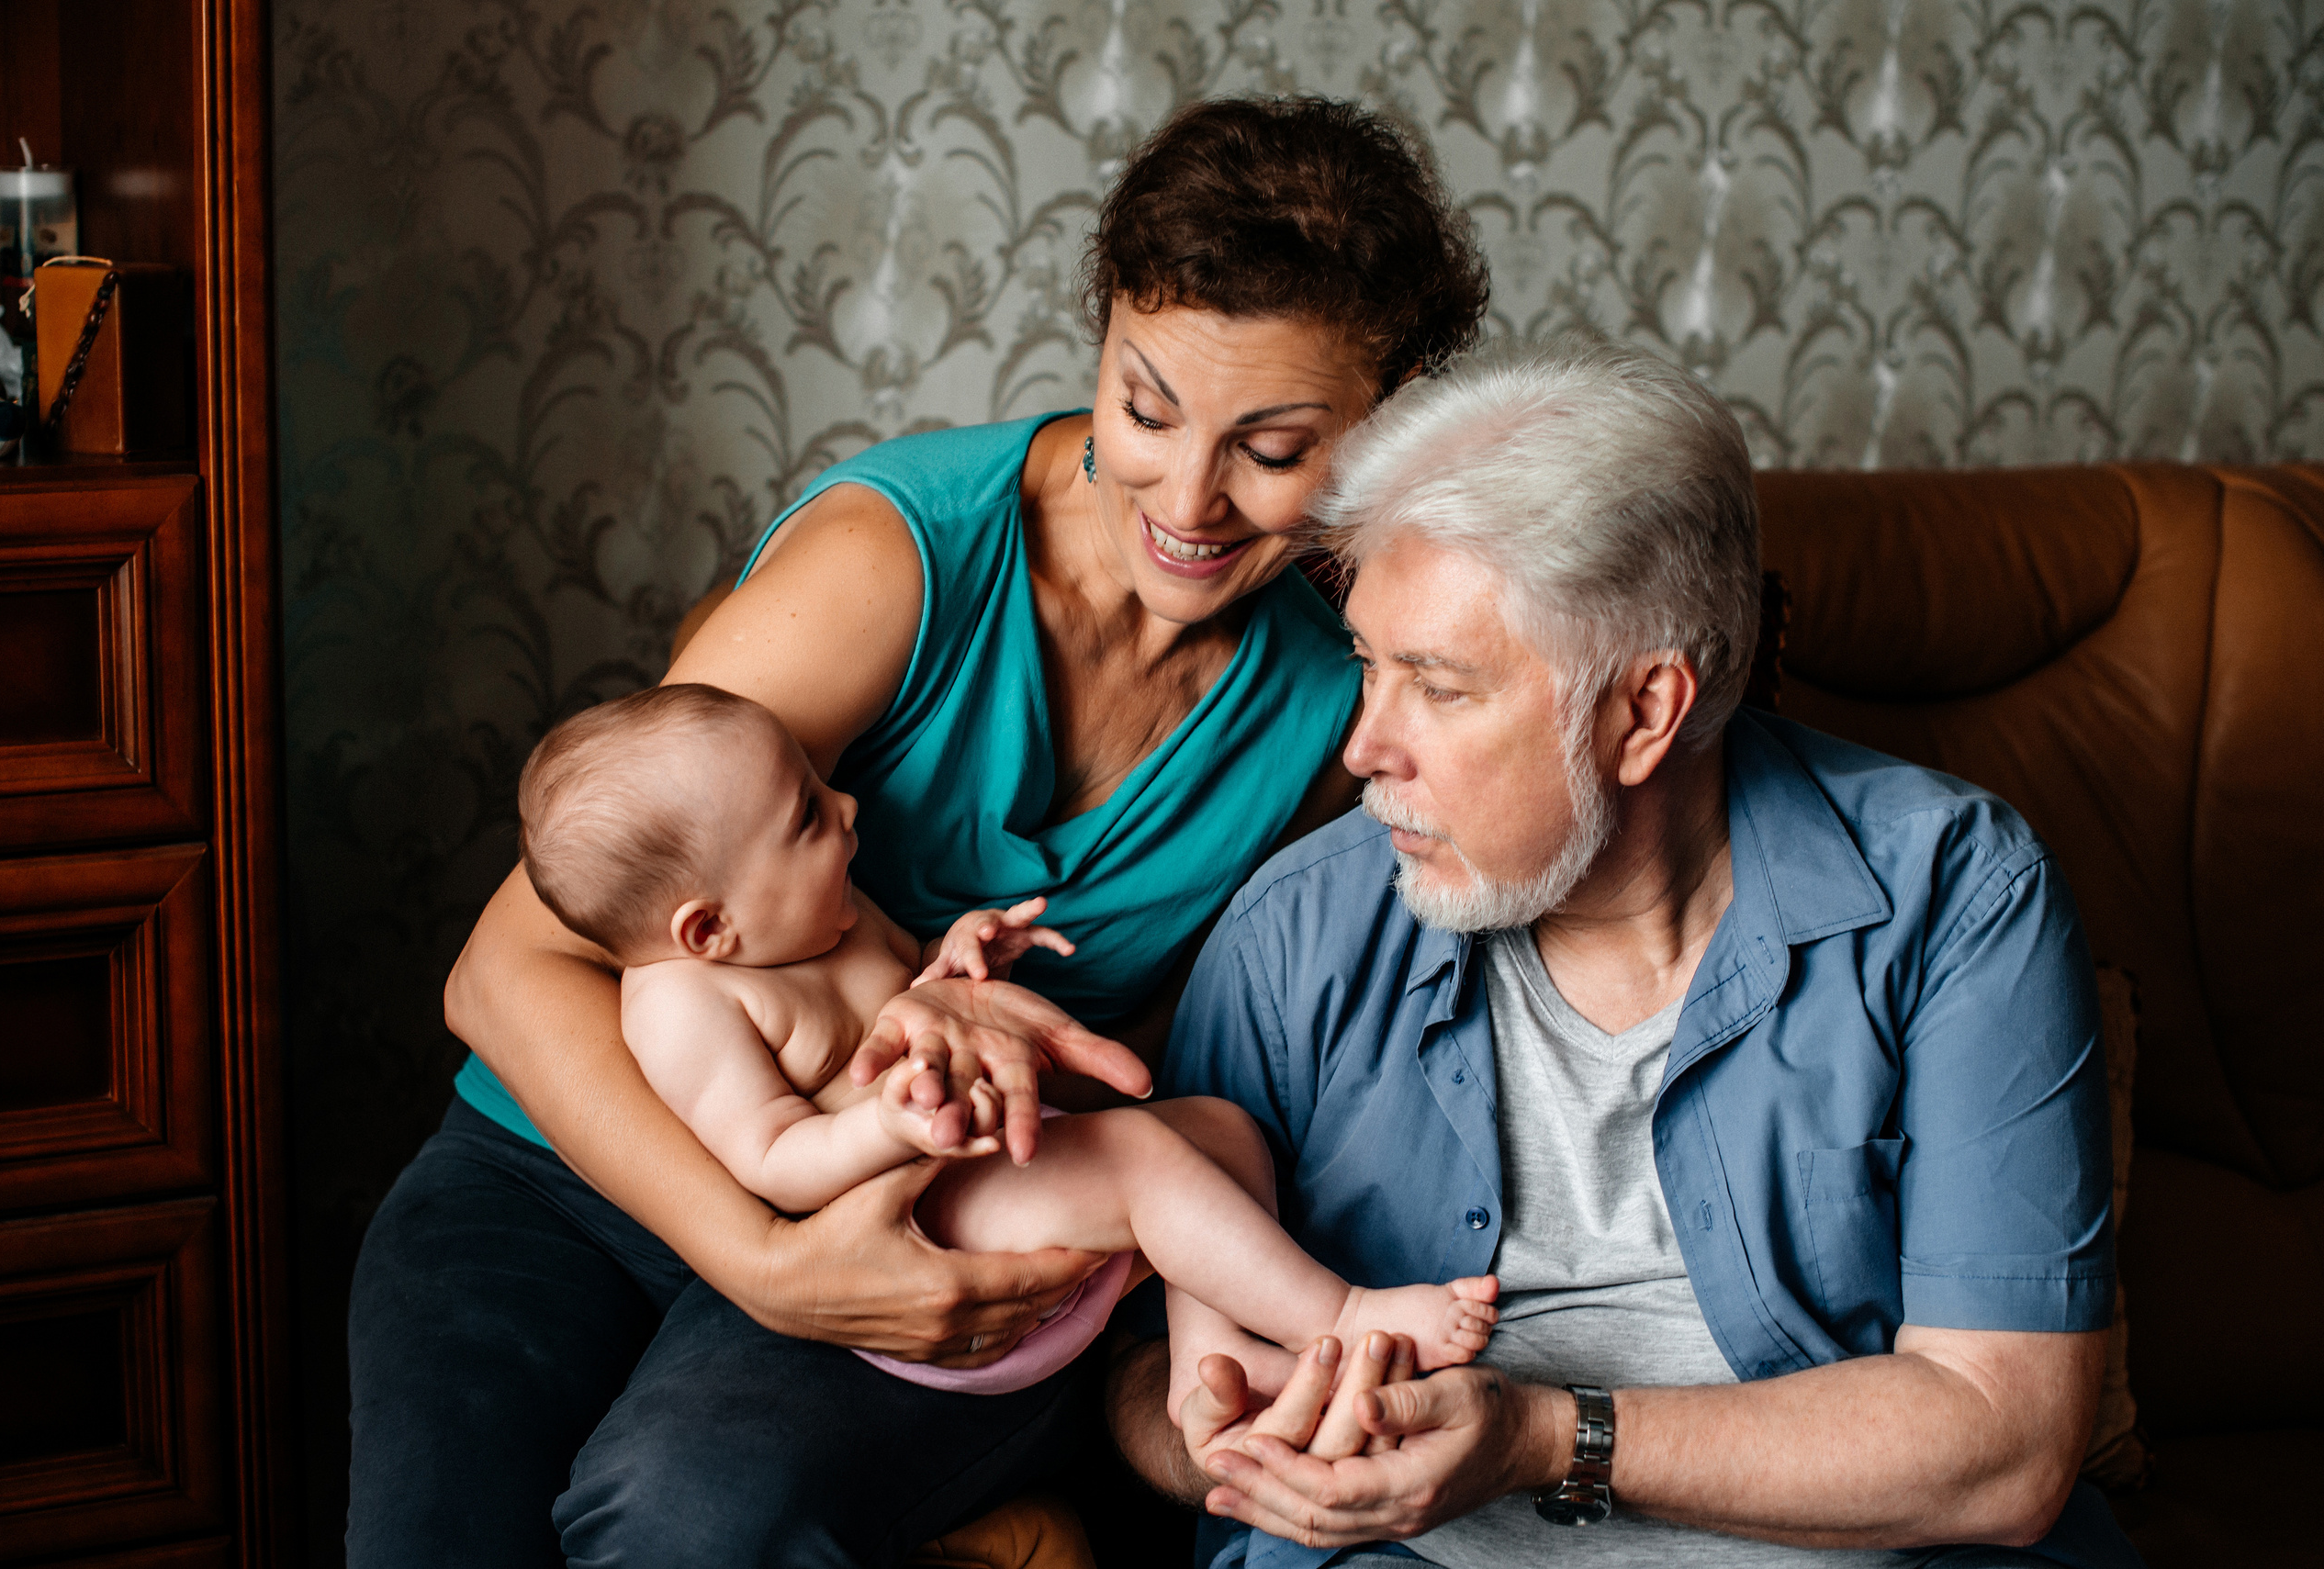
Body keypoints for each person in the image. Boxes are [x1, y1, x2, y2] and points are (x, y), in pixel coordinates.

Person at [350, 94, 1491, 1567]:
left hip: (953, 1208)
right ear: (1102, 338)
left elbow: (1178, 1041)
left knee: (690, 1517)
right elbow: (505, 969)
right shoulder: (900, 560)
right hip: (565, 1163)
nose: (1190, 498)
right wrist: (768, 1261)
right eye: (1147, 408)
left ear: (1385, 424)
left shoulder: (1345, 690)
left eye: (1271, 448)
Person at [1107, 337, 2139, 1569]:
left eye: (1440, 688)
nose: (1364, 748)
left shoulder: (1960, 896)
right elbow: (1136, 1366)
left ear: (1645, 710)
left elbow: (2006, 1442)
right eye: (1368, 667)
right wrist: (1220, 1438)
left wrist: (1545, 1438)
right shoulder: (1296, 933)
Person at [514, 680, 1499, 1396]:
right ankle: (1340, 1317)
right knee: (1142, 1157)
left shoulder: (821, 913)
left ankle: (1216, 1353)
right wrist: (891, 1126)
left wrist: (961, 959)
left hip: (1002, 1168)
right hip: (920, 1232)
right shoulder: (682, 1007)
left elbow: (919, 997)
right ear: (707, 929)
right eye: (807, 814)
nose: (846, 805)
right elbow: (772, 1158)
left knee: (1222, 1129)